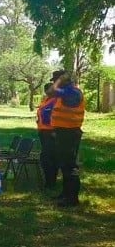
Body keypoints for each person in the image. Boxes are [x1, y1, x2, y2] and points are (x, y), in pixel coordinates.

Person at [47, 70, 85, 207]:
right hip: (64, 133)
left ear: (63, 80)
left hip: (70, 134)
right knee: (64, 165)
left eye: (56, 80)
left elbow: (50, 91)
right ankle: (65, 194)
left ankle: (72, 199)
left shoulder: (72, 92)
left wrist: (59, 81)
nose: (54, 83)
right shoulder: (65, 92)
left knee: (70, 166)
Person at [36, 83, 58, 189]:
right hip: (43, 132)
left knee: (48, 158)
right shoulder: (46, 100)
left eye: (48, 89)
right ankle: (49, 181)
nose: (46, 91)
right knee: (47, 157)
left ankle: (51, 182)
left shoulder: (56, 100)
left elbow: (56, 116)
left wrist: (55, 130)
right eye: (46, 89)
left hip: (51, 133)